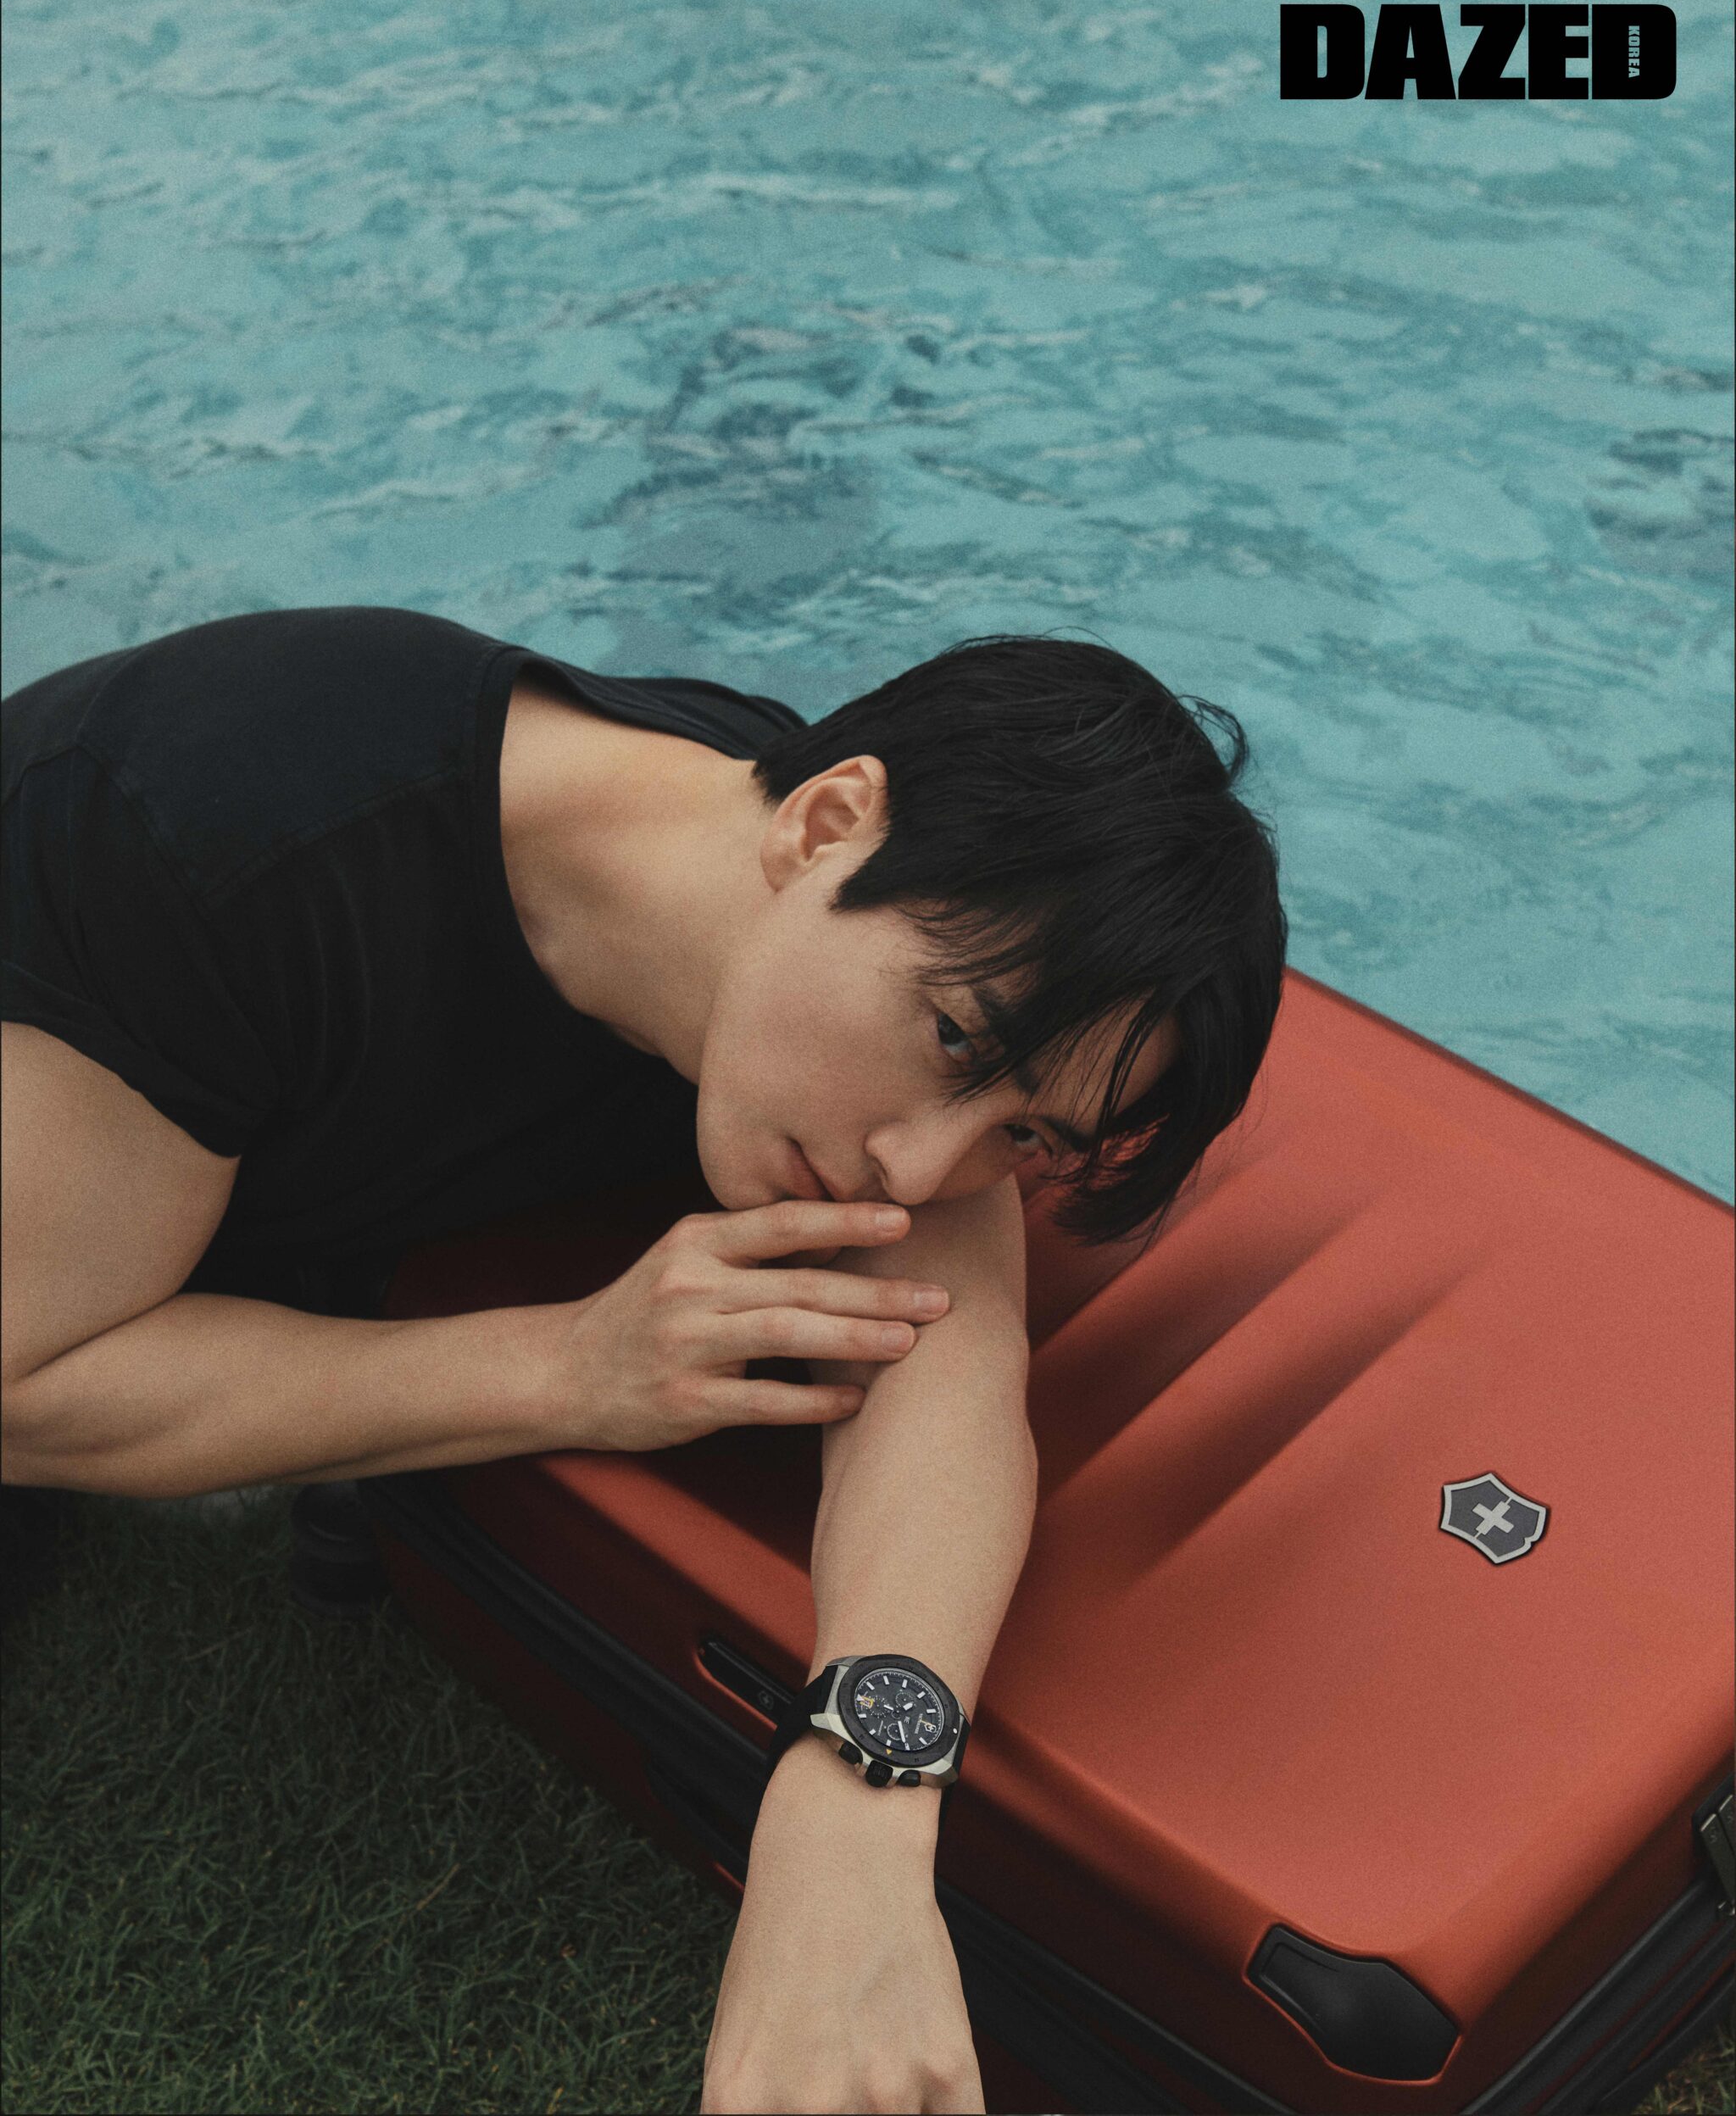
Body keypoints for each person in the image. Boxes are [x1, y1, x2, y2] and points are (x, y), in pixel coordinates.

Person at [0, 607, 1284, 2114]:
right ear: (824, 825)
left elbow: (945, 1382)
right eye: (952, 1041)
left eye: (1023, 1136)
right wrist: (568, 1367)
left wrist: (853, 1817)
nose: (922, 1169)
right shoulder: (219, 846)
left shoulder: (863, 934)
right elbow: (27, 1384)